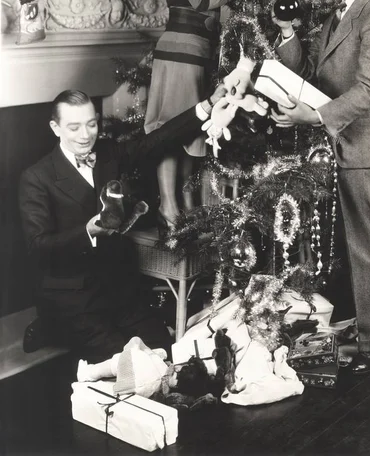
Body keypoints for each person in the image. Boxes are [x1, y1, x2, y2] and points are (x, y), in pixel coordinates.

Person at [18, 85, 230, 363]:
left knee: (165, 351)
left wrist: (208, 104)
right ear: (55, 128)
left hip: (120, 292)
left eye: (91, 124)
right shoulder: (36, 178)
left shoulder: (108, 153)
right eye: (74, 128)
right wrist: (87, 232)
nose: (85, 135)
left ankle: (54, 327)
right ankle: (52, 324)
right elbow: (38, 247)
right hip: (74, 298)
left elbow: (159, 140)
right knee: (131, 364)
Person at [271, 0, 370, 375]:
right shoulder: (337, 14)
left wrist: (315, 116)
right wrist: (287, 33)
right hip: (328, 146)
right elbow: (310, 71)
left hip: (360, 147)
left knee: (366, 245)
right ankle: (351, 328)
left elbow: (369, 91)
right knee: (340, 247)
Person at [144, 0, 279, 231]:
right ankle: (169, 206)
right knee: (172, 128)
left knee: (195, 128)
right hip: (179, 54)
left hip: (198, 53)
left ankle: (186, 204)